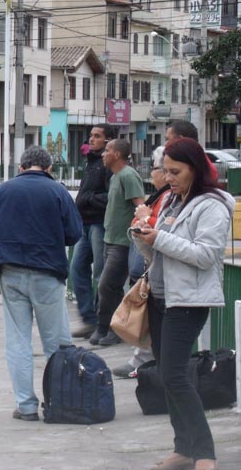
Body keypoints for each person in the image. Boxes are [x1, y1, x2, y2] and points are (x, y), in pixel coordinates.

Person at [132, 138, 232, 470]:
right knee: (166, 373)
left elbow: (205, 256)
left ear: (195, 168)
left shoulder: (213, 204)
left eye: (176, 171)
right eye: (165, 171)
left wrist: (160, 237)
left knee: (175, 375)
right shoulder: (173, 201)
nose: (168, 178)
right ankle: (183, 447)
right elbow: (160, 254)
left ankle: (205, 453)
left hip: (189, 300)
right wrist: (144, 235)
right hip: (162, 297)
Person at [0, 146, 82, 422]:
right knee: (56, 343)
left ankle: (25, 406)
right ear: (49, 168)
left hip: (10, 273)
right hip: (48, 274)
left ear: (21, 168)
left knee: (18, 341)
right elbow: (74, 233)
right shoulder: (58, 191)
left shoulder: (3, 191)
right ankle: (59, 402)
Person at [112, 146, 170, 378]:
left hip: (160, 267)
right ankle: (144, 360)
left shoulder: (168, 195)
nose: (153, 174)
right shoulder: (162, 195)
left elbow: (160, 226)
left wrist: (146, 217)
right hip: (152, 265)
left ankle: (147, 363)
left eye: (155, 169)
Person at [89, 138, 144, 346]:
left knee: (107, 285)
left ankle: (111, 328)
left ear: (118, 155)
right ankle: (107, 327)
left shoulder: (128, 175)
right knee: (110, 287)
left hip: (123, 242)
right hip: (109, 240)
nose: (103, 154)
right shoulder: (115, 177)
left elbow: (140, 206)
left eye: (108, 150)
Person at [70, 124, 116, 338]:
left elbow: (111, 197)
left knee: (101, 274)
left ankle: (103, 322)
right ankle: (88, 319)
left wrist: (87, 199)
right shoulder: (90, 163)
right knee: (77, 269)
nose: (92, 139)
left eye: (97, 136)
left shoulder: (108, 165)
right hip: (84, 224)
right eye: (91, 136)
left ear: (108, 141)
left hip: (99, 224)